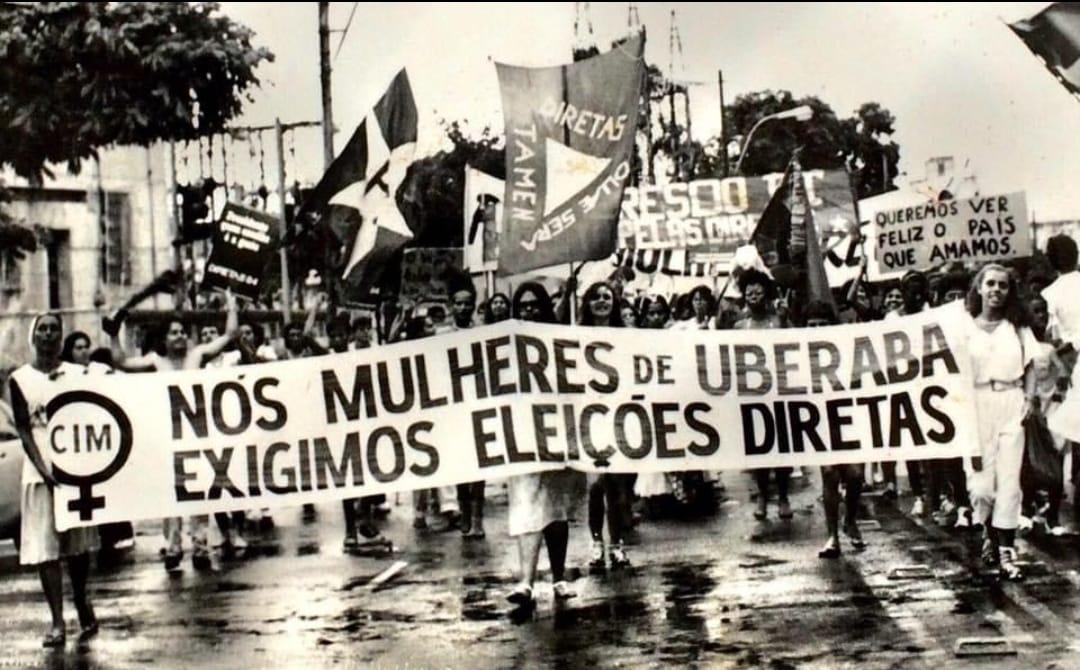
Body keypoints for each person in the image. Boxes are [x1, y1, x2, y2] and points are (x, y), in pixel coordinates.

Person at [109, 290, 239, 571]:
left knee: (201, 489)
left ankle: (201, 543)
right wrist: (113, 334)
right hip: (167, 438)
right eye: (174, 333)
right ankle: (174, 544)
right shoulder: (156, 362)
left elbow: (229, 336)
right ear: (165, 339)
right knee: (171, 491)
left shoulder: (197, 356)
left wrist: (232, 304)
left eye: (182, 332)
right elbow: (121, 362)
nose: (180, 336)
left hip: (197, 434)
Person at [11, 313, 99, 647]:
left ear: (61, 336)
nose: (49, 335)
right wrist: (42, 467)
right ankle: (57, 621)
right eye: (43, 329)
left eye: (54, 329)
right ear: (34, 336)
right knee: (46, 549)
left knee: (77, 547)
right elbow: (22, 426)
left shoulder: (77, 374)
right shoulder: (20, 378)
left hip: (75, 470)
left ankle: (81, 599)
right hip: (41, 472)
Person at [507, 282, 583, 607]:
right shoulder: (505, 344)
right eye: (522, 306)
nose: (528, 311)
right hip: (522, 435)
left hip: (555, 432)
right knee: (526, 503)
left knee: (555, 508)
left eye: (533, 305)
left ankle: (558, 577)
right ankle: (525, 581)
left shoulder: (558, 340)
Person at [964, 264, 1042, 581]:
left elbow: (1032, 365)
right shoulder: (964, 327)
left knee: (1009, 482)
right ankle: (989, 533)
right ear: (979, 288)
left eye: (1003, 286)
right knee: (982, 486)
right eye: (991, 284)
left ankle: (1007, 553)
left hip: (1011, 401)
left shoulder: (1017, 327)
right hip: (975, 405)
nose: (996, 290)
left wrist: (1030, 399)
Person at [804, 301, 867, 558]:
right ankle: (832, 536)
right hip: (819, 418)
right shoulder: (797, 352)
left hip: (848, 416)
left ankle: (850, 519)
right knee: (829, 474)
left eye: (822, 324)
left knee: (854, 475)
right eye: (812, 326)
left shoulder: (848, 348)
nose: (818, 329)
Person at [578, 281, 633, 570]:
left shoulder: (624, 336)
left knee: (617, 486)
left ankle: (617, 544)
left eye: (607, 297)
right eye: (596, 297)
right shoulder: (576, 336)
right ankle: (597, 543)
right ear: (587, 303)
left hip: (619, 415)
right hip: (589, 416)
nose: (602, 301)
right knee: (596, 484)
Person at [734, 269, 791, 521]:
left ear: (766, 293)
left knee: (782, 450)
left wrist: (785, 319)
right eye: (749, 290)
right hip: (751, 396)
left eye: (758, 290)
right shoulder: (738, 326)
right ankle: (762, 497)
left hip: (778, 393)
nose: (753, 294)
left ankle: (783, 496)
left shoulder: (778, 320)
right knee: (758, 451)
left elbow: (797, 345)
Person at [448, 277, 486, 539]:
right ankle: (464, 513)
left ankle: (478, 518)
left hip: (478, 403)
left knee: (480, 466)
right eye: (458, 304)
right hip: (454, 408)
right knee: (460, 464)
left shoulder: (483, 333)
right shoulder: (442, 335)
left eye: (467, 304)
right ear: (452, 306)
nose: (462, 308)